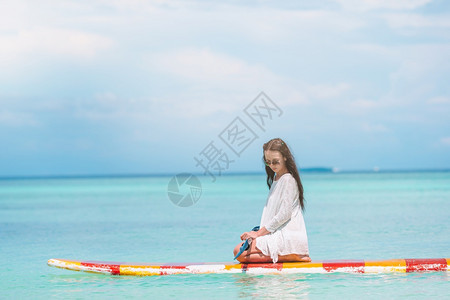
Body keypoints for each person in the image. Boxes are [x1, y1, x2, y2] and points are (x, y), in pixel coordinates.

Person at [233, 138, 311, 263]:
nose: (271, 166)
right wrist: (257, 232)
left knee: (239, 252)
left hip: (288, 236)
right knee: (239, 251)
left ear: (285, 157)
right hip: (278, 233)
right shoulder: (277, 178)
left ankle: (295, 255)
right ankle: (293, 254)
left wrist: (258, 234)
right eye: (268, 162)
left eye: (275, 162)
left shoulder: (288, 180)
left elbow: (284, 214)